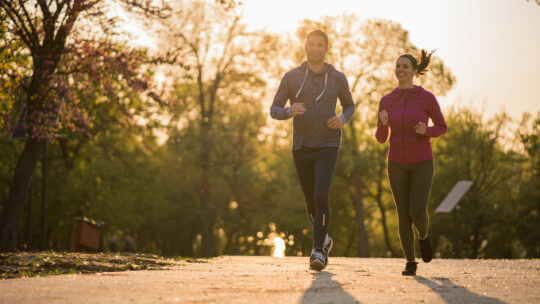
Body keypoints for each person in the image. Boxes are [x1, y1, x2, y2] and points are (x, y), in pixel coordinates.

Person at [270, 30, 356, 270]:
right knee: (310, 202)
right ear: (306, 47)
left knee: (321, 195)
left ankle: (318, 251)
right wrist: (289, 111)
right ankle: (324, 239)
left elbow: (349, 105)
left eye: (320, 45)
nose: (316, 49)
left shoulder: (338, 77)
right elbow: (274, 109)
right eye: (312, 45)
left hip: (328, 143)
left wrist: (342, 118)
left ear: (326, 49)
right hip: (301, 146)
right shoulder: (292, 77)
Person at [375, 50, 447, 276]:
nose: (401, 70)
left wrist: (427, 130)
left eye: (405, 66)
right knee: (402, 214)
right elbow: (380, 138)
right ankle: (410, 261)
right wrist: (383, 123)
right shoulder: (386, 100)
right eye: (398, 66)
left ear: (415, 71)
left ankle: (424, 236)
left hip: (422, 161)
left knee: (417, 210)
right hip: (396, 162)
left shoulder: (427, 98)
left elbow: (442, 126)